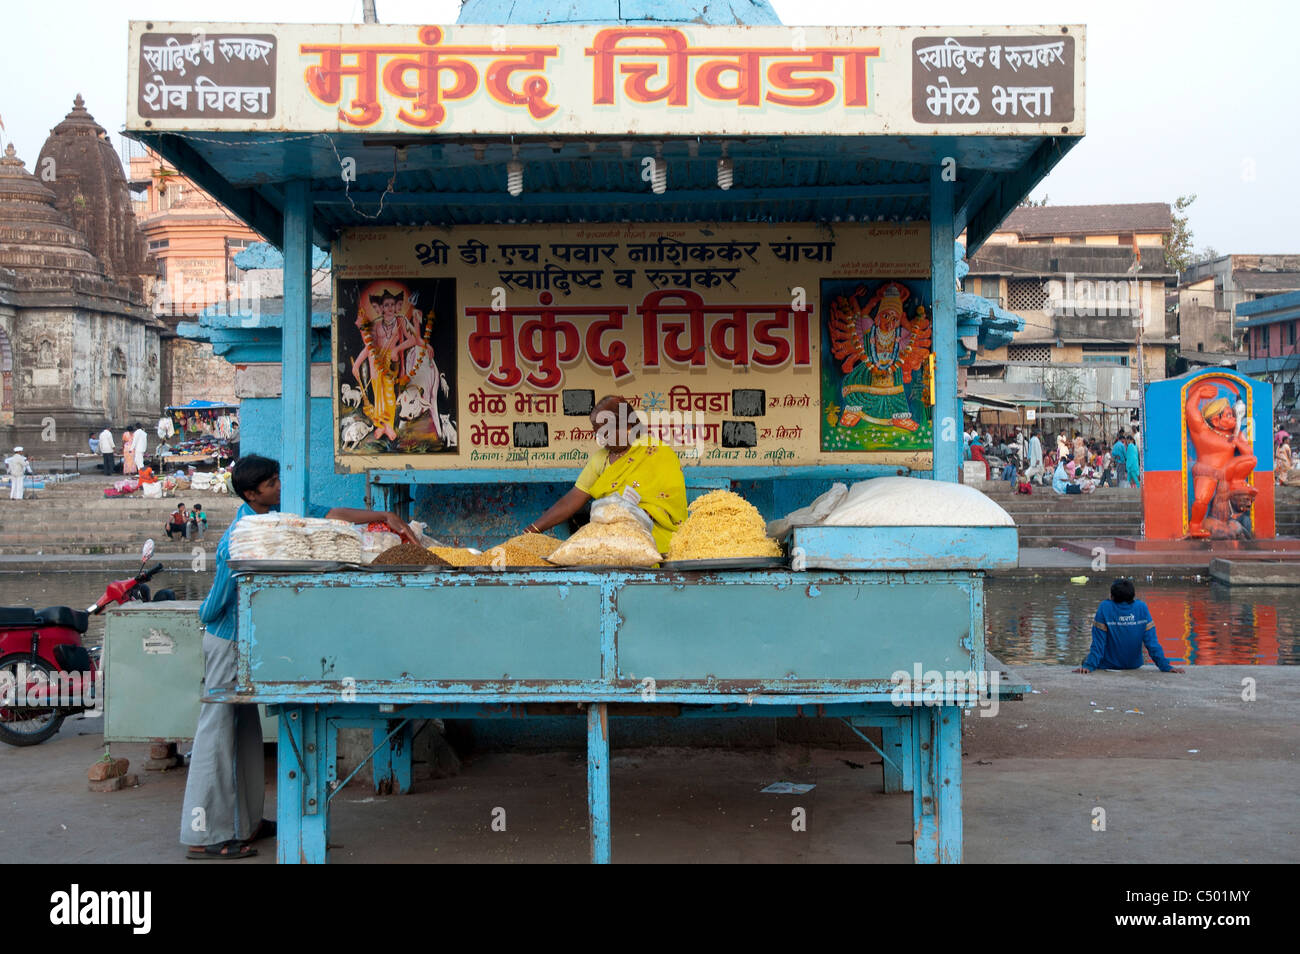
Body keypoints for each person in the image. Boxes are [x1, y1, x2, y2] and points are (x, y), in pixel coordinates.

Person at [182, 454, 416, 859]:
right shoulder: (239, 535)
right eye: (272, 482)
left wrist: (385, 516)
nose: (279, 485)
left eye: (279, 478)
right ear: (252, 494)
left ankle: (246, 823)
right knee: (216, 737)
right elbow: (214, 605)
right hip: (226, 641)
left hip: (253, 643)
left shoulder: (282, 514)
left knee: (246, 736)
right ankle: (206, 835)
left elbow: (335, 514)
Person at [522, 395, 687, 554]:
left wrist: (636, 518)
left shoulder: (658, 453)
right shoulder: (600, 459)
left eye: (605, 433)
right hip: (609, 538)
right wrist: (533, 530)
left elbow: (670, 500)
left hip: (651, 538)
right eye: (597, 433)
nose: (600, 440)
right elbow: (573, 499)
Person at [1074, 578, 1183, 674]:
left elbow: (1098, 644)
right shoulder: (1142, 607)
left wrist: (1088, 666)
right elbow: (1152, 643)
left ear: (1112, 596)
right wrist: (1166, 666)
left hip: (1108, 664)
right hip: (1133, 664)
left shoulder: (1105, 607)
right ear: (1133, 596)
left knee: (1085, 660)